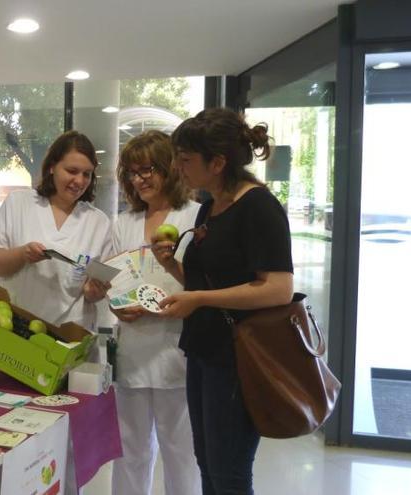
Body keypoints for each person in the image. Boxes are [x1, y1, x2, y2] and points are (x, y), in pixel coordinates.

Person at [152, 108, 294, 494]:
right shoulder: (209, 207)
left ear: (218, 162)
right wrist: (172, 268)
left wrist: (198, 298)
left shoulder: (259, 207)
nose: (178, 169)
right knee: (208, 464)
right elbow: (206, 285)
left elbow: (278, 288)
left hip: (240, 358)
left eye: (185, 160)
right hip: (205, 350)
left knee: (229, 471)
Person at [110, 131, 201, 495]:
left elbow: (203, 281)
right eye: (132, 173)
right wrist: (116, 305)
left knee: (181, 451)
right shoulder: (125, 223)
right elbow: (116, 280)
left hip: (177, 349)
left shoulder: (194, 216)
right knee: (129, 450)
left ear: (169, 167)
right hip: (133, 350)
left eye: (147, 169)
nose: (140, 179)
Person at [0, 130, 112, 332]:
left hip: (71, 335)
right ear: (52, 167)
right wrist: (22, 253)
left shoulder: (98, 222)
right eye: (72, 171)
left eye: (87, 174)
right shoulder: (19, 204)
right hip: (17, 327)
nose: (79, 181)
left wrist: (93, 291)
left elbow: (94, 291)